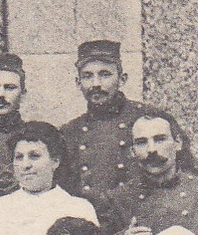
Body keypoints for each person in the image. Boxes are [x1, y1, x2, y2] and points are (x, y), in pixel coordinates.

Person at [58, 40, 154, 200]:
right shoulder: (70, 132)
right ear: (78, 83)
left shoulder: (148, 118)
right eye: (87, 76)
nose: (96, 84)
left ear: (122, 79)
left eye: (105, 75)